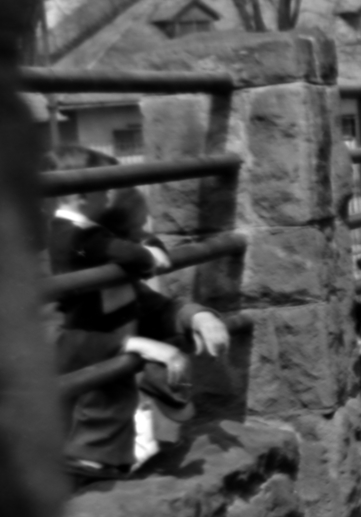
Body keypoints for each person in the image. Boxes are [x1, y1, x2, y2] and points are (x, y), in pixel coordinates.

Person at [51, 187, 229, 481]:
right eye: (136, 229)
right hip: (66, 451)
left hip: (112, 445)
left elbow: (154, 308)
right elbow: (52, 342)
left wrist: (198, 316)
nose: (146, 240)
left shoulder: (107, 269)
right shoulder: (56, 266)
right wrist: (132, 343)